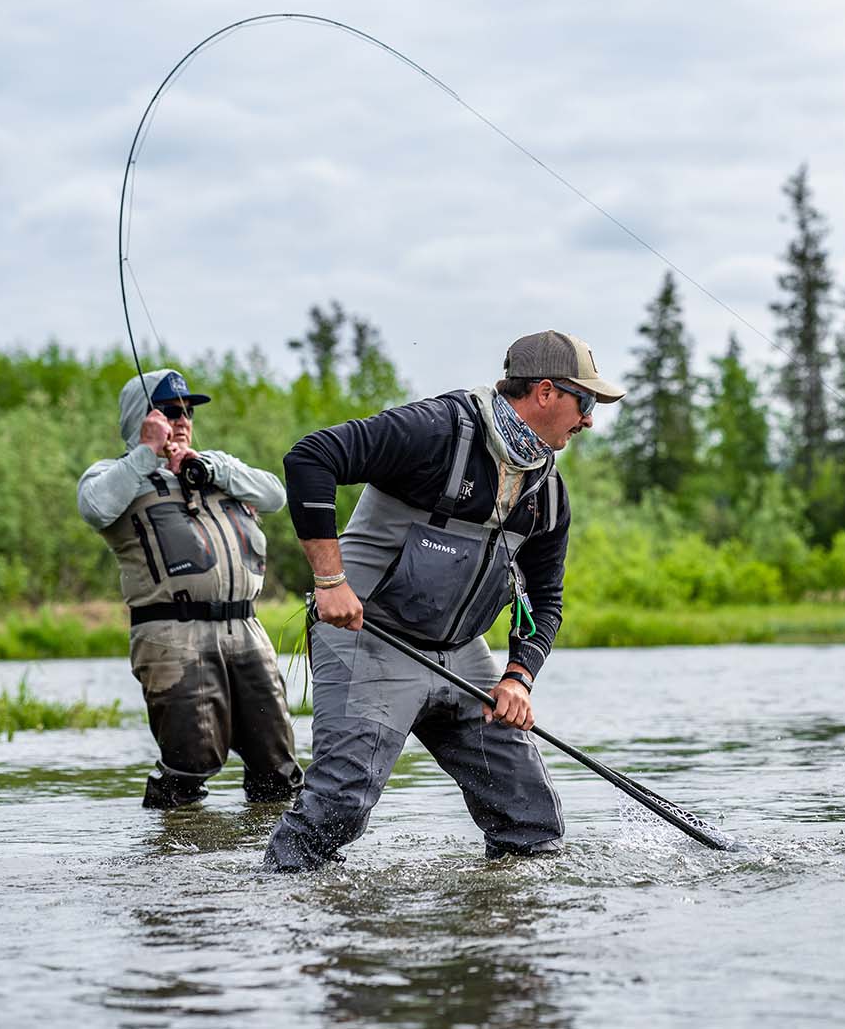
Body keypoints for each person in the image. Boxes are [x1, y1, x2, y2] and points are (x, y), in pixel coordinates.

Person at [264, 330, 624, 871]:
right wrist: (329, 580)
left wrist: (517, 677)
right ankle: (280, 899)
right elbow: (311, 458)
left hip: (461, 654)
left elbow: (546, 597)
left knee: (529, 817)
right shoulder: (435, 432)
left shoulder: (547, 492)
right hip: (370, 639)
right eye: (586, 402)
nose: (590, 419)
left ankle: (502, 925)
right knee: (339, 806)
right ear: (545, 392)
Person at [77, 368, 302, 808]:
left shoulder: (215, 469)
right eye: (168, 411)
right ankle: (172, 862)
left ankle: (274, 859)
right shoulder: (116, 476)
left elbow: (276, 495)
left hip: (245, 630)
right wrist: (147, 452)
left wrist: (211, 468)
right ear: (141, 419)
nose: (181, 420)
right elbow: (95, 507)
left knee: (277, 764)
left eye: (187, 412)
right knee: (189, 763)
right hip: (172, 635)